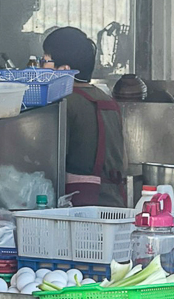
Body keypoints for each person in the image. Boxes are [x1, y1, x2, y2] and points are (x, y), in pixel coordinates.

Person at [43, 26, 126, 206]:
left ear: (64, 69)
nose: (42, 66)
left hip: (80, 208)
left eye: (46, 61)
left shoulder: (63, 103)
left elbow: (49, 162)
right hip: (114, 202)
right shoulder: (108, 101)